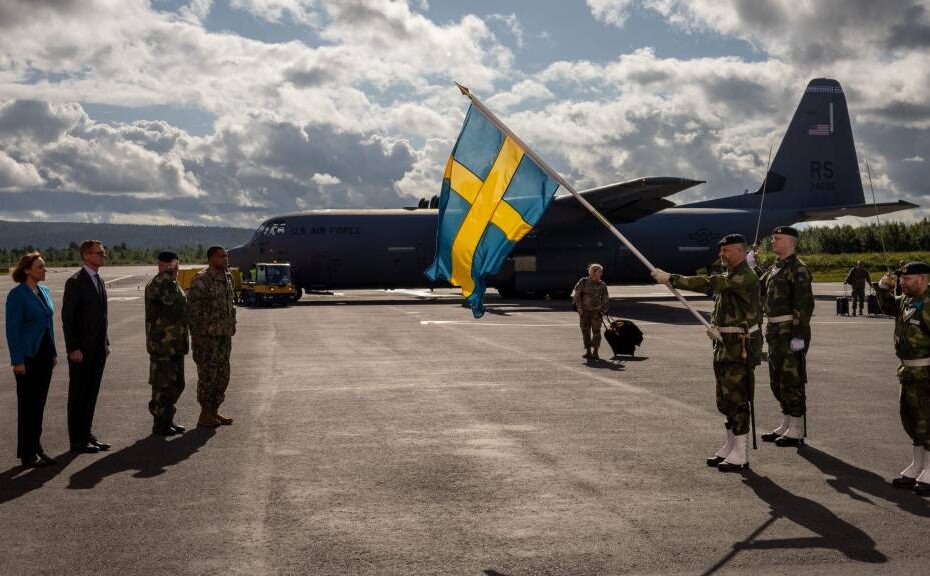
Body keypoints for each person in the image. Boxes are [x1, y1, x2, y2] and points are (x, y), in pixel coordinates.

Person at [652, 234, 762, 472]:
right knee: (725, 398)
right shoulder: (731, 275)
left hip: (740, 345)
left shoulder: (745, 275)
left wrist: (672, 278)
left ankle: (740, 453)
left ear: (742, 253)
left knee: (738, 397)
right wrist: (717, 326)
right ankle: (730, 445)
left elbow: (711, 284)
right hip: (724, 342)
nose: (722, 255)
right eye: (721, 251)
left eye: (728, 251)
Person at [876, 262, 930, 495]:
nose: (902, 283)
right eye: (901, 280)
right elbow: (888, 306)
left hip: (926, 372)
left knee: (928, 422)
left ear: (923, 279)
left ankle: (929, 468)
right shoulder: (906, 302)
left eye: (907, 280)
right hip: (908, 372)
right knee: (912, 420)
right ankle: (918, 465)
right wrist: (882, 288)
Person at [758, 226, 814, 447]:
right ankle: (786, 422)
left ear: (791, 242)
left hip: (790, 331)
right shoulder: (775, 268)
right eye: (773, 238)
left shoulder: (798, 269)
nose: (773, 242)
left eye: (778, 239)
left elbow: (804, 306)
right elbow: (759, 286)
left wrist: (798, 337)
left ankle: (797, 429)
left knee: (793, 380)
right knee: (777, 381)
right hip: (774, 331)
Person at [5, 252, 58, 467]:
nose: (45, 269)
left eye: (44, 266)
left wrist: (53, 352)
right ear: (27, 270)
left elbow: (48, 324)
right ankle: (27, 453)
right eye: (40, 266)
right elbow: (12, 330)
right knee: (28, 406)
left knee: (39, 404)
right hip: (27, 357)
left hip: (44, 355)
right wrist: (17, 360)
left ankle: (36, 447)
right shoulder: (17, 295)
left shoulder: (44, 291)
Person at [62, 240, 111, 453]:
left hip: (98, 349)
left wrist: (105, 342)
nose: (103, 256)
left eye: (103, 253)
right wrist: (73, 347)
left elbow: (102, 316)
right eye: (98, 253)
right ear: (86, 255)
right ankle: (77, 440)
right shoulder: (75, 282)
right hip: (81, 350)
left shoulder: (98, 280)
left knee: (91, 394)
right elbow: (68, 318)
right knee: (79, 395)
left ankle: (86, 433)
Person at [188, 245, 236, 427]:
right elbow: (192, 311)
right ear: (211, 259)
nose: (225, 259)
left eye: (226, 256)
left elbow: (229, 306)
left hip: (224, 337)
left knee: (223, 375)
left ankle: (214, 411)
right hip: (207, 339)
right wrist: (197, 337)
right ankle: (204, 414)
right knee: (208, 376)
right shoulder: (202, 280)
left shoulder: (227, 278)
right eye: (221, 256)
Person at [145, 251, 189, 436]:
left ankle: (168, 419)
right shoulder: (157, 284)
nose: (176, 269)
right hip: (162, 346)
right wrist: (167, 271)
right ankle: (160, 424)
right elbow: (164, 298)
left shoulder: (173, 284)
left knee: (177, 384)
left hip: (176, 344)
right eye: (173, 265)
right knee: (162, 386)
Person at [571, 263, 609, 361]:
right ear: (593, 272)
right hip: (584, 312)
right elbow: (577, 296)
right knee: (585, 332)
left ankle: (595, 351)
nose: (601, 273)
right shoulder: (583, 282)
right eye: (599, 272)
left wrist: (603, 310)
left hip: (597, 313)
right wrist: (579, 308)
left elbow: (605, 299)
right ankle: (588, 351)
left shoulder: (602, 285)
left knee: (596, 332)